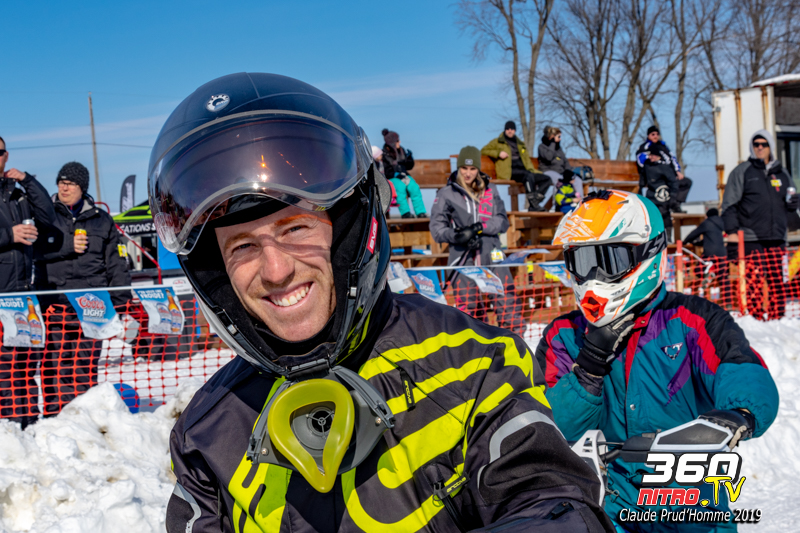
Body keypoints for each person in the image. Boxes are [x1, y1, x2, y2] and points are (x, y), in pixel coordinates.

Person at [157, 73, 614, 533]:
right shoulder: (205, 435)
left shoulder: (476, 363)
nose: (276, 271)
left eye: (295, 228)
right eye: (242, 247)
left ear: (348, 230)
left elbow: (550, 500)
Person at [536, 189, 779, 532]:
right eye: (582, 261)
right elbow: (547, 429)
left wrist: (739, 413)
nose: (594, 277)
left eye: (610, 260)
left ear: (648, 254)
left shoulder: (693, 320)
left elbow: (740, 368)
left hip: (690, 499)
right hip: (607, 503)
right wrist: (589, 366)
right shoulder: (564, 336)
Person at [35, 162, 132, 416]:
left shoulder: (102, 219)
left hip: (93, 305)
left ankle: (83, 416)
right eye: (61, 182)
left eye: (71, 183)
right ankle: (56, 415)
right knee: (55, 363)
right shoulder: (45, 216)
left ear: (82, 187)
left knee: (85, 364)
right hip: (55, 303)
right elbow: (34, 252)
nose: (64, 188)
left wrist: (121, 301)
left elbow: (116, 263)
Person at [429, 146, 526, 337]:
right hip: (462, 254)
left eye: (472, 169)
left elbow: (502, 221)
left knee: (505, 297)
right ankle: (473, 343)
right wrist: (457, 235)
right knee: (468, 304)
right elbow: (437, 228)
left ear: (478, 169)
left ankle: (515, 339)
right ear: (458, 168)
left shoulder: (490, 190)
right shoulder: (446, 193)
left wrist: (480, 227)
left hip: (491, 251)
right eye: (464, 168)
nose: (468, 173)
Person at [0, 136, 56, 428]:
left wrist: (29, 180)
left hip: (23, 295)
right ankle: (9, 427)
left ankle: (28, 423)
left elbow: (48, 216)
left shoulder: (18, 193)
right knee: (4, 368)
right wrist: (9, 235)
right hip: (1, 297)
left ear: (6, 155)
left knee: (25, 365)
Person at [721, 129, 799, 320]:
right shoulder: (742, 171)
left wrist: (793, 204)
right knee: (754, 281)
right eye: (756, 144)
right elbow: (729, 204)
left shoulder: (781, 173)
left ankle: (777, 318)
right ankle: (755, 318)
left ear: (770, 147)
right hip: (751, 237)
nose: (760, 148)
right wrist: (732, 232)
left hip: (777, 236)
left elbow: (791, 200)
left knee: (777, 280)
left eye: (764, 144)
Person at [482, 121, 551, 211]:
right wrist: (498, 153)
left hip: (524, 170)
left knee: (546, 179)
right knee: (528, 176)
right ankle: (533, 206)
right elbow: (483, 150)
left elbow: (526, 159)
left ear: (515, 130)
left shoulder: (520, 143)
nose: (510, 131)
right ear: (505, 130)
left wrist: (531, 169)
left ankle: (534, 203)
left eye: (512, 129)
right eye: (507, 129)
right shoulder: (498, 141)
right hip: (509, 171)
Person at [635, 126, 692, 212]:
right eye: (653, 134)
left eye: (657, 134)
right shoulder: (645, 147)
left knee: (686, 182)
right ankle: (669, 205)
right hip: (656, 178)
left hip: (669, 175)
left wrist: (677, 171)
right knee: (671, 184)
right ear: (648, 135)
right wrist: (656, 163)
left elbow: (672, 159)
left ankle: (675, 203)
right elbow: (642, 161)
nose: (655, 136)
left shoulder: (663, 146)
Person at [683, 208, 731, 304]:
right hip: (722, 254)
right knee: (724, 278)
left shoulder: (707, 223)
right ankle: (728, 303)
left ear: (708, 215)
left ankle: (708, 275)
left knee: (698, 270)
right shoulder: (723, 222)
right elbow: (713, 239)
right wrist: (699, 243)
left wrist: (685, 241)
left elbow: (694, 233)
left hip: (710, 254)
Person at [381, 129, 426, 218]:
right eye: (397, 140)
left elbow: (409, 166)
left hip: (404, 175)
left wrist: (409, 158)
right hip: (393, 177)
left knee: (414, 187)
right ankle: (405, 213)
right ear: (392, 142)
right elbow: (386, 171)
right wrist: (395, 175)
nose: (399, 142)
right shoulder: (384, 154)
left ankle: (420, 212)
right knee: (400, 188)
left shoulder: (401, 151)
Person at [538, 125, 582, 204]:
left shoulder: (559, 149)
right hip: (547, 171)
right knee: (560, 180)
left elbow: (565, 162)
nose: (560, 139)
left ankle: (579, 202)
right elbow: (548, 157)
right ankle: (558, 204)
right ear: (552, 136)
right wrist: (553, 143)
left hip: (561, 172)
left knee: (577, 180)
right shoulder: (542, 147)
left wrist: (568, 172)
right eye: (558, 136)